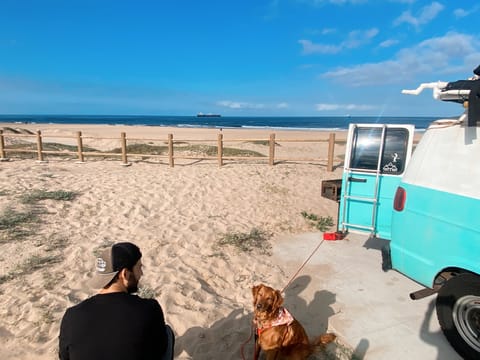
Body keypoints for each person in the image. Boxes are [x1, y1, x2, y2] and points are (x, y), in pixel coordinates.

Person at [58, 242, 174, 360]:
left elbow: (64, 356)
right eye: (139, 267)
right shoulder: (150, 308)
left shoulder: (71, 315)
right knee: (167, 333)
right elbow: (159, 349)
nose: (141, 273)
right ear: (125, 274)